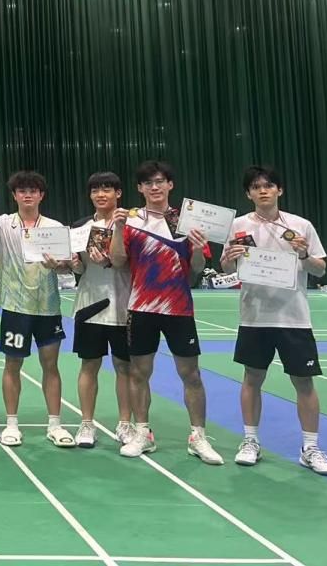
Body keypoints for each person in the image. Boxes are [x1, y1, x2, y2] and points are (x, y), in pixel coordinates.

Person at [223, 165, 327, 475]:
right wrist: (229, 258)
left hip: (294, 318)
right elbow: (226, 266)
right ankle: (250, 441)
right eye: (256, 187)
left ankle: (310, 447)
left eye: (269, 185)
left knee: (304, 382)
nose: (263, 190)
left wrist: (304, 255)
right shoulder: (238, 225)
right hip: (254, 317)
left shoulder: (301, 226)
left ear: (279, 190)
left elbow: (321, 269)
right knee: (252, 378)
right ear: (248, 194)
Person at [109, 160, 222, 464]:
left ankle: (198, 437)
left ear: (170, 185)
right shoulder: (131, 221)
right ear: (140, 188)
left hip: (179, 308)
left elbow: (196, 269)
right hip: (141, 307)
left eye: (160, 181)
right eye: (148, 183)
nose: (155, 187)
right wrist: (118, 228)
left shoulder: (186, 221)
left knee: (191, 374)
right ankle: (143, 433)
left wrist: (196, 247)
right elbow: (117, 261)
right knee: (139, 372)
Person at [0, 170, 73, 448]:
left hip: (48, 307)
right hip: (15, 308)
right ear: (14, 195)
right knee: (12, 364)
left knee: (50, 365)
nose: (27, 195)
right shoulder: (4, 223)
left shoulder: (54, 226)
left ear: (41, 195)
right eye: (22, 191)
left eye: (33, 191)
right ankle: (12, 424)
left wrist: (58, 265)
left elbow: (67, 264)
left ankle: (55, 425)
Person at [70, 172, 133, 449]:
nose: (100, 194)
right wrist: (74, 264)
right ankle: (86, 424)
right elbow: (79, 268)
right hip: (90, 305)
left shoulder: (131, 224)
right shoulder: (80, 227)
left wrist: (111, 259)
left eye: (107, 189)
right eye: (95, 190)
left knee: (124, 367)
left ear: (118, 193)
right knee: (89, 365)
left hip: (124, 304)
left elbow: (135, 262)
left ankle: (125, 424)